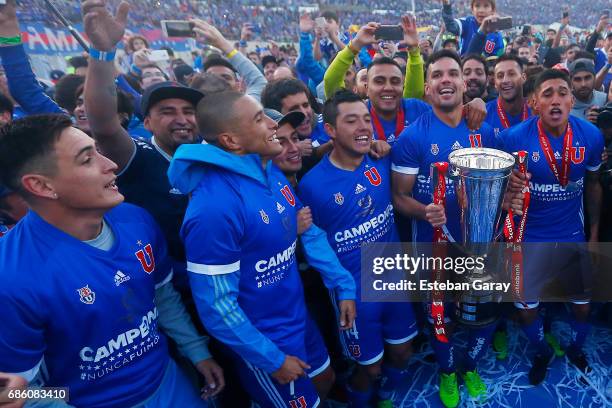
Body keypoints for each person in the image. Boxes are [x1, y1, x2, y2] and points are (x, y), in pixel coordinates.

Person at [0, 114, 222, 407]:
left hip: (168, 382)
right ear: (41, 186)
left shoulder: (136, 220)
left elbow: (161, 295)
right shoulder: (11, 277)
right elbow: (16, 393)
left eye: (99, 151)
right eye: (87, 159)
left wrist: (196, 350)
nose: (111, 165)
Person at [167, 91, 357, 407]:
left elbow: (308, 232)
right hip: (265, 341)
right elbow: (216, 306)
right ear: (230, 141)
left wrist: (343, 284)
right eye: (259, 118)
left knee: (325, 380)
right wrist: (272, 360)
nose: (272, 123)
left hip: (298, 318)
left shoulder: (269, 172)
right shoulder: (213, 208)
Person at [391, 50, 506, 408]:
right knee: (439, 315)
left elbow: (503, 187)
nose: (445, 80)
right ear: (427, 88)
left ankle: (469, 365)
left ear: (463, 82)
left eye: (452, 74)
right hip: (432, 246)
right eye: (437, 74)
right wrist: (426, 212)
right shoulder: (413, 137)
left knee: (483, 311)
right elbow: (399, 196)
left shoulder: (485, 132)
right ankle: (446, 371)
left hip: (478, 246)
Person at [300, 90, 418, 408]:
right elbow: (311, 245)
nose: (363, 127)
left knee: (403, 352)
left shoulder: (383, 160)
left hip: (395, 282)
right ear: (330, 130)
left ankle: (387, 396)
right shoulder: (311, 185)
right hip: (354, 296)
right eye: (351, 121)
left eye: (366, 119)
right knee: (369, 367)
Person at [82, 0, 204, 291]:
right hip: (166, 288)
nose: (181, 119)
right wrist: (102, 54)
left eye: (189, 111)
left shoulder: (206, 153)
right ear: (146, 122)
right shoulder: (138, 155)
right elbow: (103, 125)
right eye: (167, 112)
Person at [499, 69, 604, 385]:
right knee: (527, 311)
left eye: (562, 92)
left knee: (583, 308)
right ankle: (542, 351)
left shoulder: (591, 136)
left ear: (572, 100)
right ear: (533, 102)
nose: (556, 99)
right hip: (526, 239)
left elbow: (594, 184)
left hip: (571, 236)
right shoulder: (513, 138)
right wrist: (507, 193)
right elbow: (497, 189)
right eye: (547, 93)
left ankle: (575, 349)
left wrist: (594, 236)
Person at [193, 19, 268, 101]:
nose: (219, 82)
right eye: (212, 77)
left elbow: (259, 83)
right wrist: (222, 44)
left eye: (226, 78)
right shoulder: (191, 112)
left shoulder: (246, 109)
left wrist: (222, 43)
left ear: (238, 85)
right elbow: (258, 82)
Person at [485, 54, 533, 136]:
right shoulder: (484, 114)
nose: (505, 80)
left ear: (523, 78)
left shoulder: (536, 111)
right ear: (495, 83)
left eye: (511, 74)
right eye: (500, 76)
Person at [441, 0, 505, 57]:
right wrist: (446, 5)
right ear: (472, 10)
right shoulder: (467, 22)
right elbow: (451, 26)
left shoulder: (497, 35)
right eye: (477, 6)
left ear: (493, 10)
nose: (481, 10)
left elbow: (499, 57)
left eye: (486, 6)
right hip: (465, 66)